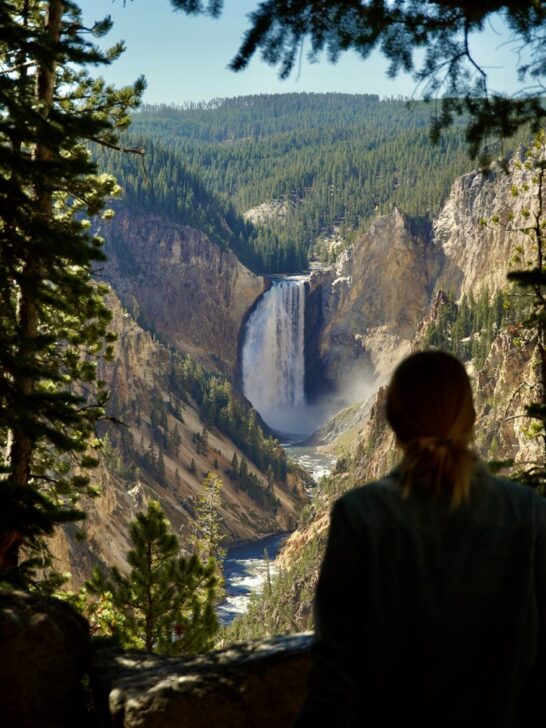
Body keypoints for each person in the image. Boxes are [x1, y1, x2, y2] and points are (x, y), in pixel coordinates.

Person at [295, 350, 546, 727]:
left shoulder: (359, 516)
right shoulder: (529, 513)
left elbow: (334, 682)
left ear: (393, 422)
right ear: (472, 419)